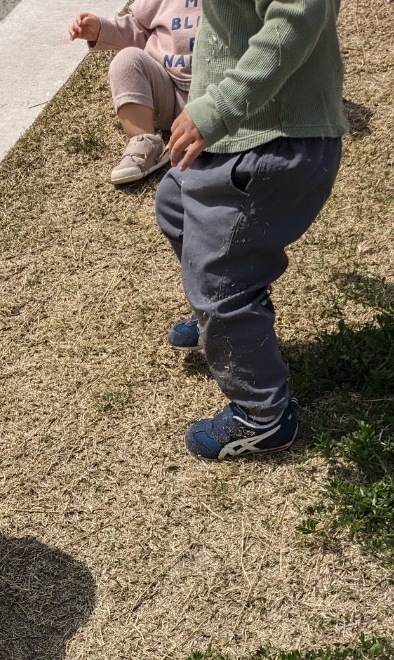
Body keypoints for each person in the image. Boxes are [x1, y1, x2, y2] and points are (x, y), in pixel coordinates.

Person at [155, 0, 347, 459]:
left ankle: (263, 417)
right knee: (174, 204)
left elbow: (297, 17)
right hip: (234, 137)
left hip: (274, 139)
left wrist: (220, 106)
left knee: (221, 281)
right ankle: (231, 316)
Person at [69, 0, 199, 184]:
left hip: (214, 95)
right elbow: (138, 28)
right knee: (126, 60)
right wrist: (102, 29)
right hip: (167, 90)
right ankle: (145, 141)